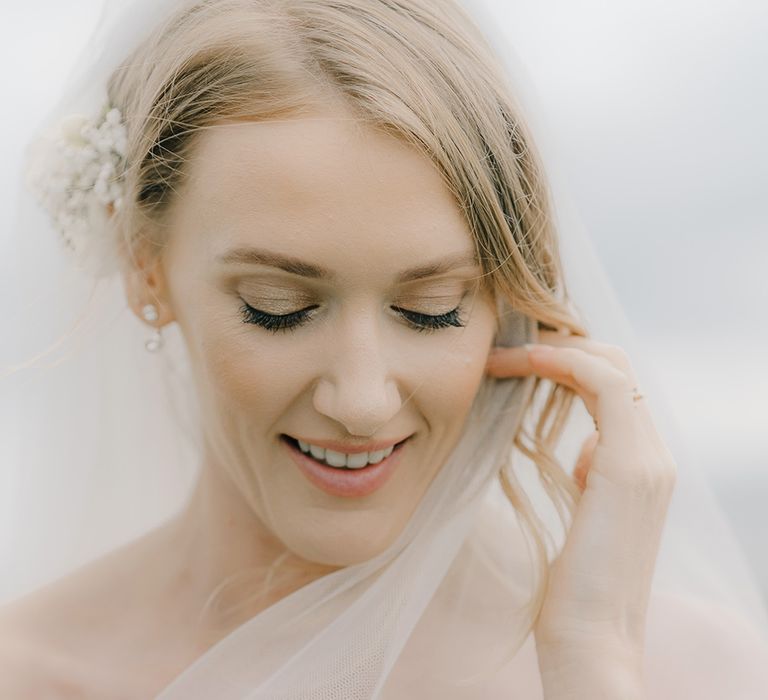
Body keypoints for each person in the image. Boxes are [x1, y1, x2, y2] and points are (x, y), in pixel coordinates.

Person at [1, 0, 767, 697]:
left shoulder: (694, 671)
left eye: (429, 309)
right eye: (280, 308)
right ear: (147, 270)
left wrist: (589, 660)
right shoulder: (29, 674)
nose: (363, 400)